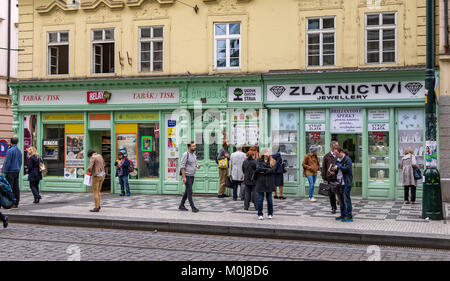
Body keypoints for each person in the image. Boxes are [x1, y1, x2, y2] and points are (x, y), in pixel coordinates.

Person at [255, 147, 277, 220]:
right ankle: (260, 214)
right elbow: (258, 169)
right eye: (267, 152)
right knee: (260, 199)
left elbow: (273, 170)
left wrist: (264, 171)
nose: (269, 153)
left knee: (269, 199)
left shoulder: (273, 160)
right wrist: (268, 170)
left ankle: (270, 213)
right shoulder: (258, 160)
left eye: (269, 152)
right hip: (260, 182)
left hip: (269, 182)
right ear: (264, 153)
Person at [179, 141, 200, 212]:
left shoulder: (194, 155)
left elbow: (194, 163)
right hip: (187, 175)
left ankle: (181, 205)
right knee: (190, 191)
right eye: (193, 146)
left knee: (187, 191)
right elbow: (182, 166)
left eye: (195, 146)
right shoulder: (186, 154)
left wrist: (197, 165)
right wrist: (184, 177)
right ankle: (193, 207)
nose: (195, 147)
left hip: (192, 176)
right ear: (189, 147)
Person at [333, 148, 353, 222]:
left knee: (346, 199)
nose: (336, 155)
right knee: (340, 200)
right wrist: (333, 170)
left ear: (340, 152)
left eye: (337, 154)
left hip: (346, 182)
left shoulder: (347, 159)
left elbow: (348, 169)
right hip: (338, 182)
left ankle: (349, 216)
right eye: (335, 154)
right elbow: (335, 167)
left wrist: (339, 167)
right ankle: (343, 215)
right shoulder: (337, 159)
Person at [2, 137, 22, 208]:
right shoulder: (19, 151)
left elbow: (7, 162)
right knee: (16, 187)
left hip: (10, 171)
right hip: (16, 171)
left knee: (9, 187)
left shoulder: (10, 151)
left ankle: (10, 202)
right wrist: (18, 168)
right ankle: (16, 202)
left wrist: (4, 171)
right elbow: (20, 162)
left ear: (11, 142)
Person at [322, 141, 340, 214]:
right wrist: (324, 178)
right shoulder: (326, 156)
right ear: (332, 146)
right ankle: (333, 208)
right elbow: (324, 168)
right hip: (330, 177)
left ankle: (341, 203)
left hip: (339, 177)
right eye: (336, 145)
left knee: (340, 192)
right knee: (331, 194)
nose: (338, 146)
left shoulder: (339, 155)